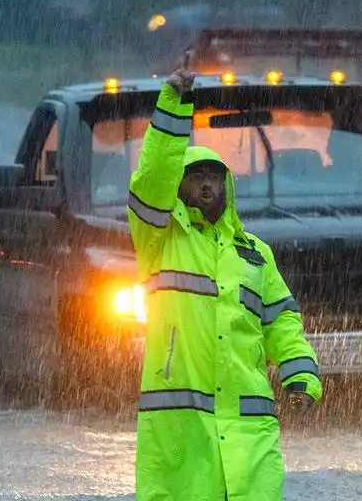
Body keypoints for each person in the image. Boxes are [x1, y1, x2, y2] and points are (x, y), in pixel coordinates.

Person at [127, 68, 323, 500]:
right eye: (195, 178)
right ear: (178, 189)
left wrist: (301, 377)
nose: (206, 185)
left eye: (214, 178)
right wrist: (173, 107)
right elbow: (151, 178)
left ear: (227, 187)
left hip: (250, 431)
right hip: (182, 431)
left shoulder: (254, 252)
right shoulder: (160, 240)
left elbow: (282, 322)